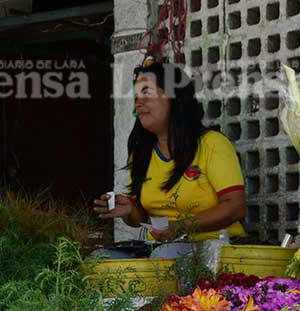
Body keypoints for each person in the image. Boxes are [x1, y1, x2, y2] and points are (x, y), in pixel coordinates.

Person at [93, 60, 246, 257]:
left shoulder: (212, 144)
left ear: (175, 98)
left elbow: (235, 207)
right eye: (137, 96)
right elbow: (139, 216)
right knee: (100, 258)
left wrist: (180, 227)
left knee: (163, 257)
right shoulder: (142, 152)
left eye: (146, 93)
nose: (138, 102)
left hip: (215, 248)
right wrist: (130, 209)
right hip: (163, 248)